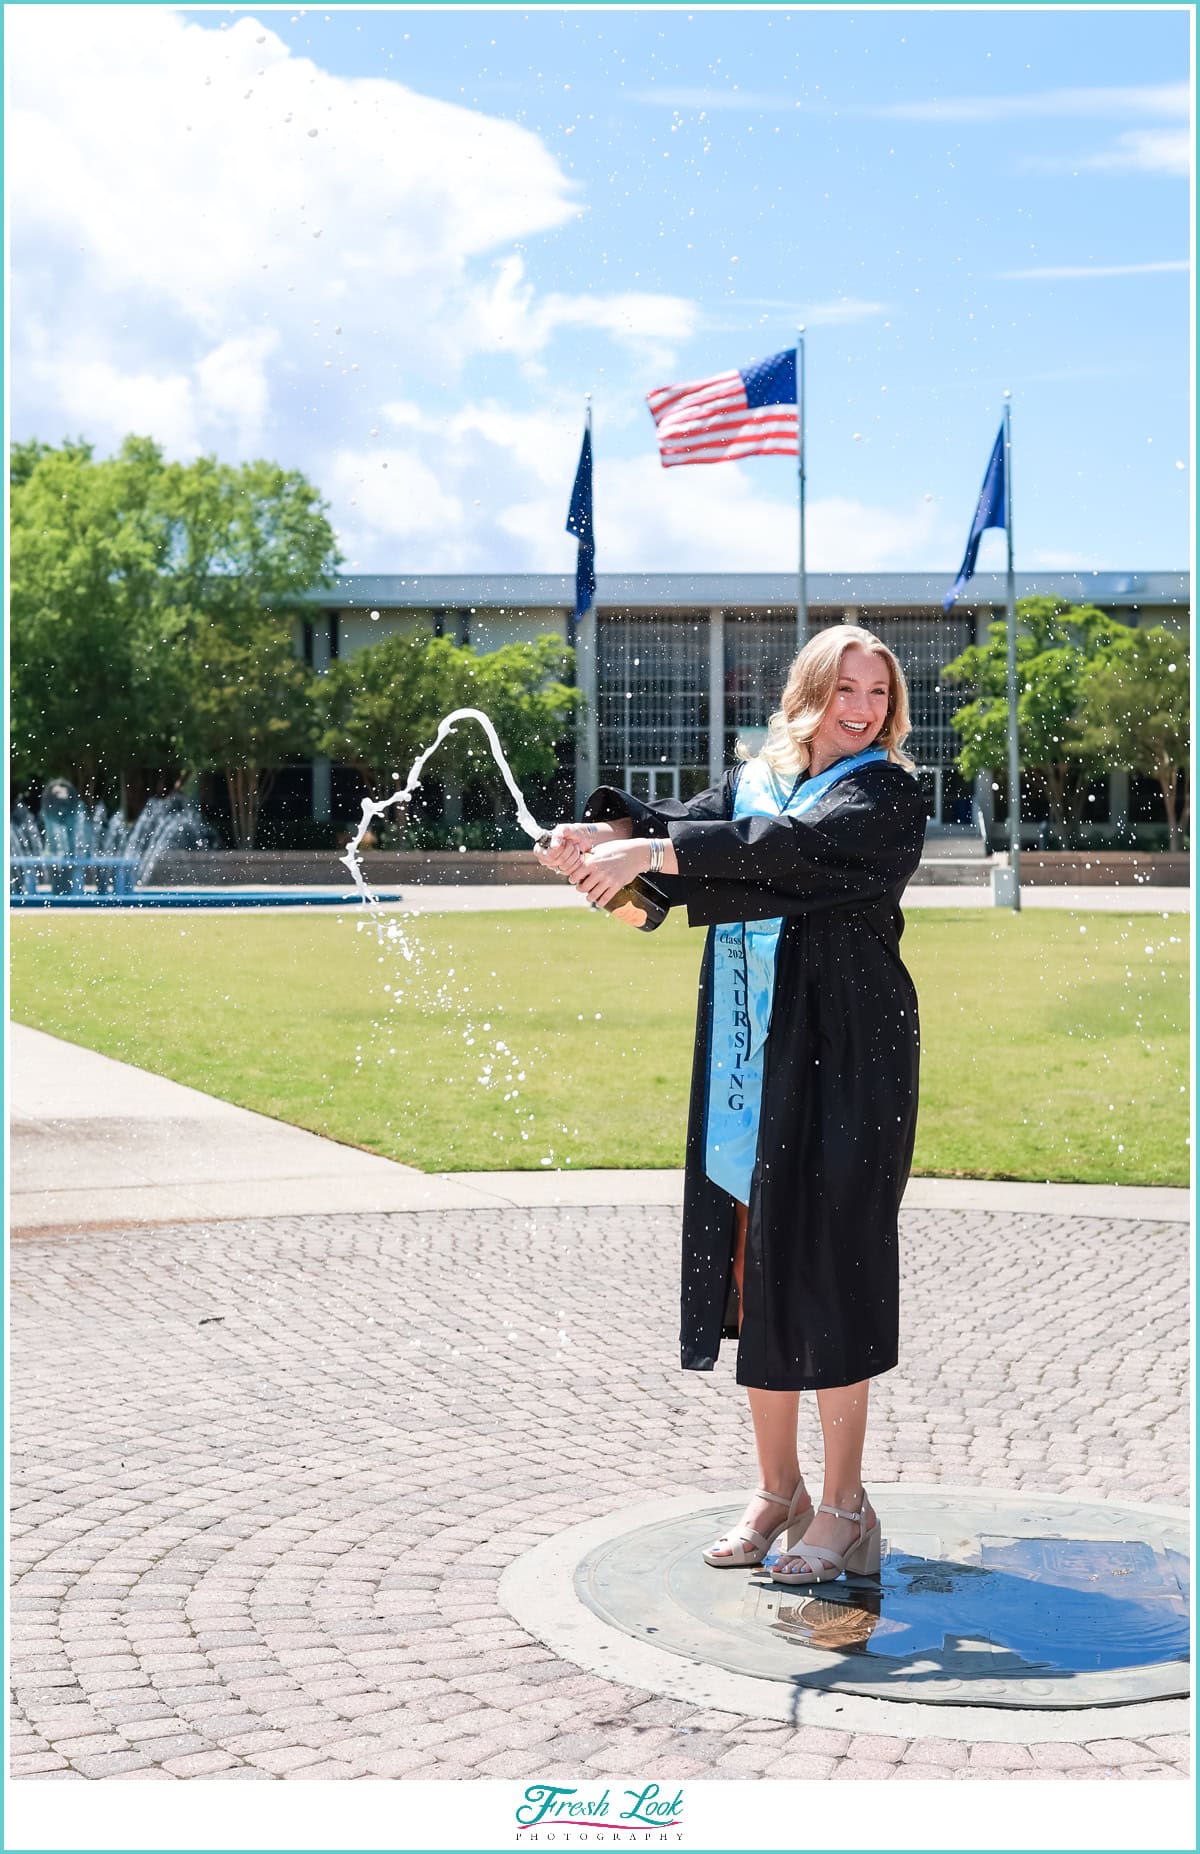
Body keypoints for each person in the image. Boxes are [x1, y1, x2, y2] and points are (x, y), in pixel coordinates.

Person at [535, 625, 928, 1586]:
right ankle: (777, 1488)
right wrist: (600, 851)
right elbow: (676, 865)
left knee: (827, 1265)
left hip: (845, 1057)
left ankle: (844, 1506)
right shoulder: (757, 781)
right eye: (845, 687)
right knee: (754, 1260)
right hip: (753, 1058)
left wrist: (651, 849)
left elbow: (782, 854)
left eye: (877, 691)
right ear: (809, 692)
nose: (863, 707)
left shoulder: (883, 792)